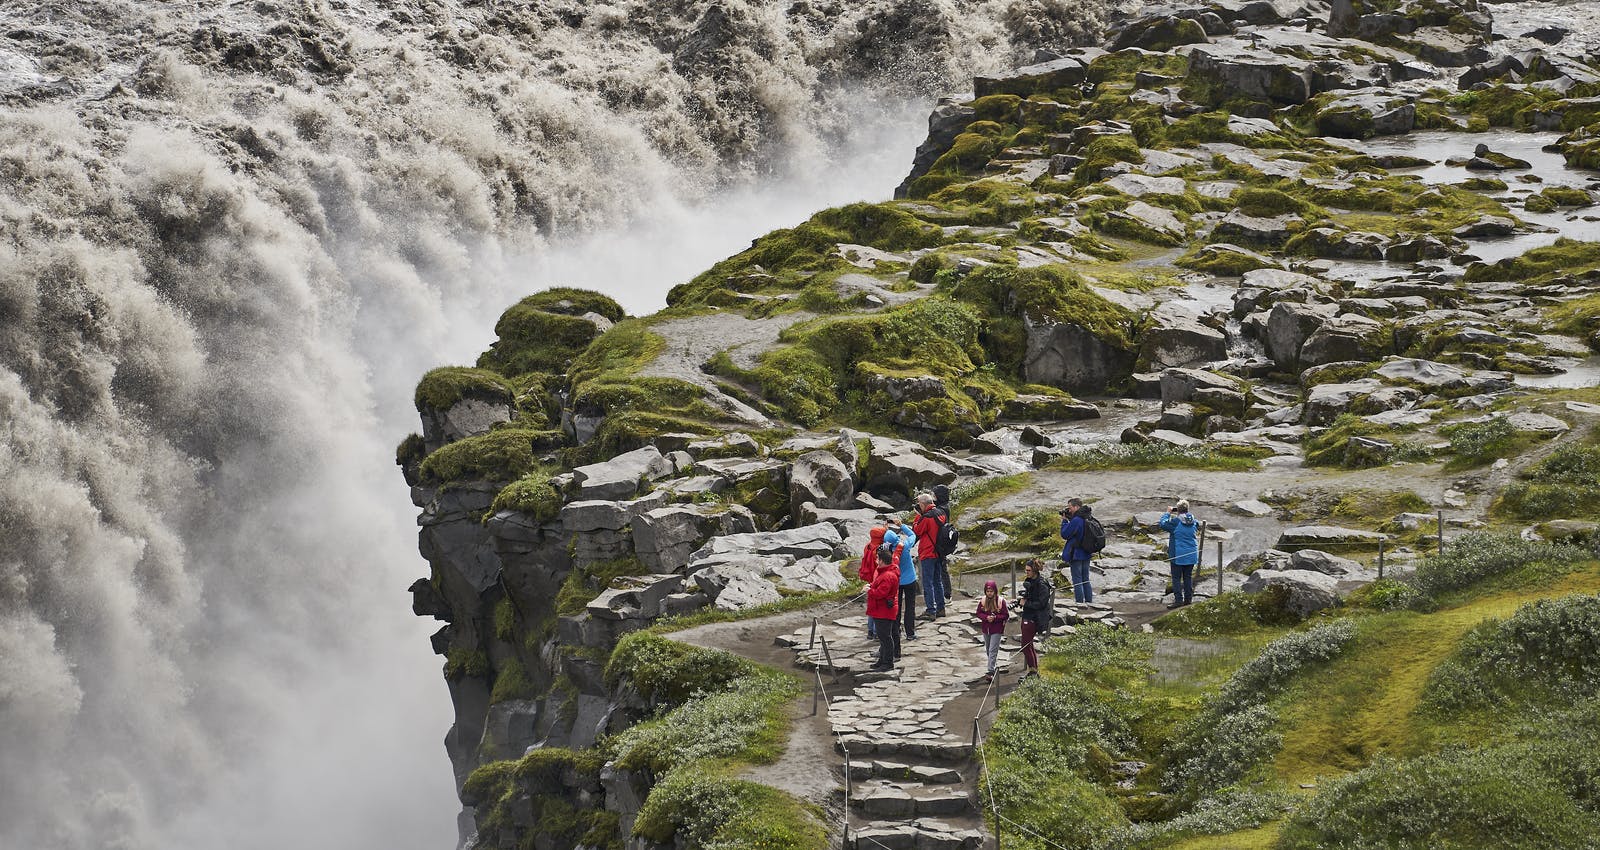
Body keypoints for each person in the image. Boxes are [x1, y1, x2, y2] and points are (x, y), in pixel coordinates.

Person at [866, 542, 901, 672]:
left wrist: (869, 591)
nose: (876, 560)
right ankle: (882, 660)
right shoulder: (887, 572)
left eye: (877, 558)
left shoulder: (888, 575)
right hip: (882, 610)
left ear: (881, 561)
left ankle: (888, 662)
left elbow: (881, 593)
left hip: (884, 611)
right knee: (883, 636)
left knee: (885, 637)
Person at [913, 493, 947, 620]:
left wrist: (917, 518)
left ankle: (930, 611)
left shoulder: (926, 518)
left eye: (919, 504)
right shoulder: (941, 513)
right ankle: (941, 608)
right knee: (938, 581)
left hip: (928, 553)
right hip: (939, 551)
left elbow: (917, 531)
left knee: (927, 582)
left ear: (923, 504)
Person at [1160, 500, 1200, 609]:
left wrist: (1167, 513)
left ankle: (1178, 600)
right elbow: (1198, 525)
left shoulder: (1176, 522)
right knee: (1187, 577)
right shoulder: (1194, 522)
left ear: (1178, 510)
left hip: (1178, 554)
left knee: (1176, 578)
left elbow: (1162, 524)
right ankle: (1188, 599)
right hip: (1191, 554)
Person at [886, 517, 920, 644]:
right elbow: (913, 534)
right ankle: (910, 633)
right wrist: (902, 526)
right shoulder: (904, 545)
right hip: (910, 579)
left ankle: (896, 632)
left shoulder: (887, 552)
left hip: (896, 582)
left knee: (897, 607)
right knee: (910, 607)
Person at [1017, 559, 1050, 679]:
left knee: (1026, 645)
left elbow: (1042, 604)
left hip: (1035, 618)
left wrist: (1026, 603)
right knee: (1027, 645)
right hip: (1028, 615)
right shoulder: (1030, 581)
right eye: (1026, 570)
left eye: (1029, 570)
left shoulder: (1042, 584)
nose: (1027, 573)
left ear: (1035, 570)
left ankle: (1033, 672)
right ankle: (1033, 671)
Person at [1059, 498, 1094, 603]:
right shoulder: (1088, 517)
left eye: (1070, 508)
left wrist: (1065, 521)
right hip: (1087, 552)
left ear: (1076, 507)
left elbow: (1065, 534)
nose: (1069, 510)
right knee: (1085, 579)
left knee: (1077, 580)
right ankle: (1089, 601)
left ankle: (1079, 603)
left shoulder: (1077, 520)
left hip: (1076, 554)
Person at [974, 579, 1010, 683]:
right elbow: (978, 613)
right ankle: (992, 666)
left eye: (991, 591)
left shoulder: (1000, 601)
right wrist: (986, 617)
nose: (989, 593)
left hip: (997, 629)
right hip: (986, 629)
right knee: (988, 649)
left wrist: (995, 618)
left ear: (995, 591)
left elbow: (1005, 615)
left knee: (993, 650)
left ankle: (990, 671)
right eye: (987, 591)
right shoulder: (983, 601)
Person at [859, 524, 887, 638]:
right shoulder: (880, 550)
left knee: (871, 606)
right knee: (879, 608)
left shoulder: (868, 546)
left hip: (869, 579)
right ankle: (876, 632)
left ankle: (870, 631)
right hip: (877, 579)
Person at [933, 484, 954, 607]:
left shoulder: (942, 509)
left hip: (941, 543)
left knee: (942, 569)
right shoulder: (943, 506)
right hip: (941, 542)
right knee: (941, 569)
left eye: (935, 494)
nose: (933, 497)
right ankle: (944, 594)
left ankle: (946, 595)